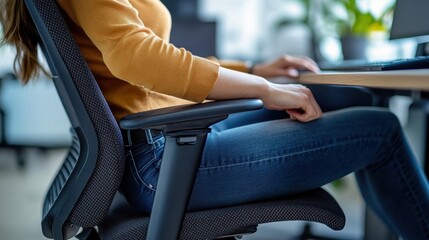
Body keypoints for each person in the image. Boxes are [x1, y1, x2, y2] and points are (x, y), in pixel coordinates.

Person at [1, 0, 429, 239]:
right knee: (381, 131)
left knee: (330, 91)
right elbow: (138, 57)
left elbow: (156, 69)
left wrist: (256, 70)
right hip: (162, 163)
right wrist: (263, 89)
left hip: (163, 141)